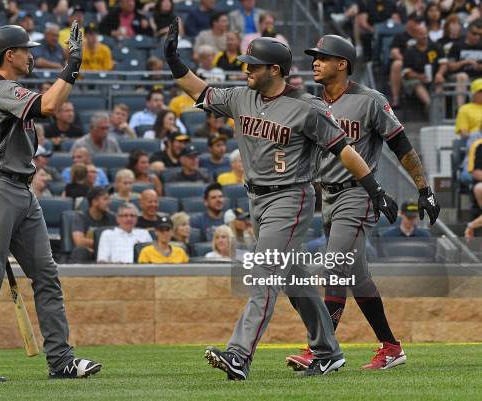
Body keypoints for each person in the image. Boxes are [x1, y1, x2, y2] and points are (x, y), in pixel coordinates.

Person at [164, 21, 400, 379]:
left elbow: (345, 151)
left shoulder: (307, 107)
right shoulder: (241, 96)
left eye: (253, 65)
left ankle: (239, 353)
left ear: (275, 70)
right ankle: (328, 351)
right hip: (257, 200)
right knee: (294, 280)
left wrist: (374, 188)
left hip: (290, 198)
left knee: (264, 273)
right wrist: (173, 60)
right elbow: (199, 90)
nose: (246, 70)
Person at [0, 23, 101, 383]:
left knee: (46, 275)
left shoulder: (12, 89)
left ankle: (61, 359)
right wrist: (72, 65)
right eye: (26, 49)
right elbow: (49, 105)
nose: (31, 55)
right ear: (9, 55)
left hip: (21, 189)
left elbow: (45, 104)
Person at [285, 34, 440, 372]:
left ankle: (322, 349)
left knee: (334, 266)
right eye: (315, 57)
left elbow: (401, 144)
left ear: (342, 63)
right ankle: (391, 346)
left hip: (359, 193)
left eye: (323, 57)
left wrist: (424, 188)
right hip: (327, 195)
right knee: (358, 278)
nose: (315, 62)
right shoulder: (314, 103)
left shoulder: (369, 100)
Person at [402, 23, 448, 111]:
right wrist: (420, 76)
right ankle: (431, 106)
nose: (424, 36)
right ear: (414, 35)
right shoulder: (410, 51)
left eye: (425, 33)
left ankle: (439, 109)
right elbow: (407, 72)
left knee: (440, 83)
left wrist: (439, 74)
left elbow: (444, 63)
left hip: (435, 76)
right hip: (418, 78)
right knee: (416, 83)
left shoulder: (436, 46)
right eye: (421, 34)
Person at [70, 186, 116, 263]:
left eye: (109, 199)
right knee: (80, 251)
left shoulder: (111, 217)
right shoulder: (80, 217)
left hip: (107, 253)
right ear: (94, 201)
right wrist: (103, 244)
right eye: (105, 199)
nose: (109, 202)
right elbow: (79, 242)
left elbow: (116, 241)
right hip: (89, 253)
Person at [447, 19, 482, 107]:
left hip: (478, 77)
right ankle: (460, 110)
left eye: (480, 34)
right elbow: (450, 66)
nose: (477, 37)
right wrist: (466, 61)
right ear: (468, 32)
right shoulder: (457, 46)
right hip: (459, 77)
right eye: (474, 33)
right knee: (462, 76)